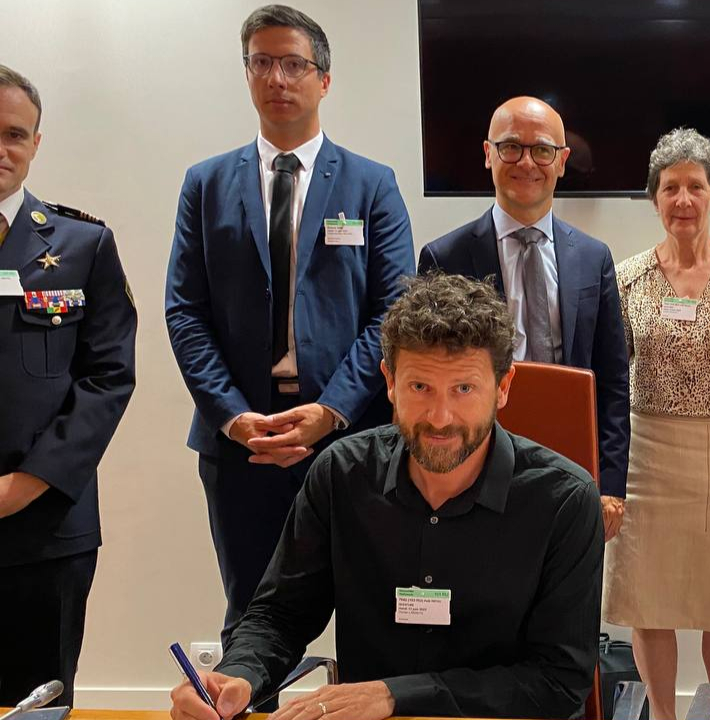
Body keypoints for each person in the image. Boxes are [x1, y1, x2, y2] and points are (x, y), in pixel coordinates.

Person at [167, 272, 604, 720]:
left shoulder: (563, 500)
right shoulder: (342, 474)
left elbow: (558, 680)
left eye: (464, 389)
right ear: (389, 382)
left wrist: (396, 695)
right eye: (420, 388)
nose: (439, 417)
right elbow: (280, 615)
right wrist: (238, 676)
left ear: (504, 386)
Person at [165, 4, 415, 642]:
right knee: (252, 620)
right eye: (262, 63)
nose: (278, 78)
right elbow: (185, 312)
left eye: (294, 64)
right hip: (240, 443)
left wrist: (330, 411)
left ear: (323, 80)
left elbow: (393, 312)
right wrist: (234, 417)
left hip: (350, 438)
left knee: (374, 617)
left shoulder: (372, 185)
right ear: (247, 75)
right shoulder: (206, 184)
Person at [603, 128, 710, 720]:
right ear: (655, 197)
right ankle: (663, 713)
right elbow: (608, 380)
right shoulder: (624, 278)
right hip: (647, 454)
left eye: (695, 187)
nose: (683, 199)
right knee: (650, 599)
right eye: (670, 187)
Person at [418, 96, 629, 540]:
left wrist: (610, 485)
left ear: (563, 161)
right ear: (488, 154)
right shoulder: (445, 257)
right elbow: (427, 377)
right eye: (511, 147)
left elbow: (612, 380)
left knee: (563, 598)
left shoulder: (594, 259)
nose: (526, 162)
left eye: (542, 150)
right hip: (474, 459)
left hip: (571, 462)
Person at [0, 64, 137, 706]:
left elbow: (108, 377)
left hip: (46, 526)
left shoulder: (83, 244)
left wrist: (26, 485)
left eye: (14, 135)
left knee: (37, 701)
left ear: (35, 142)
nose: (1, 150)